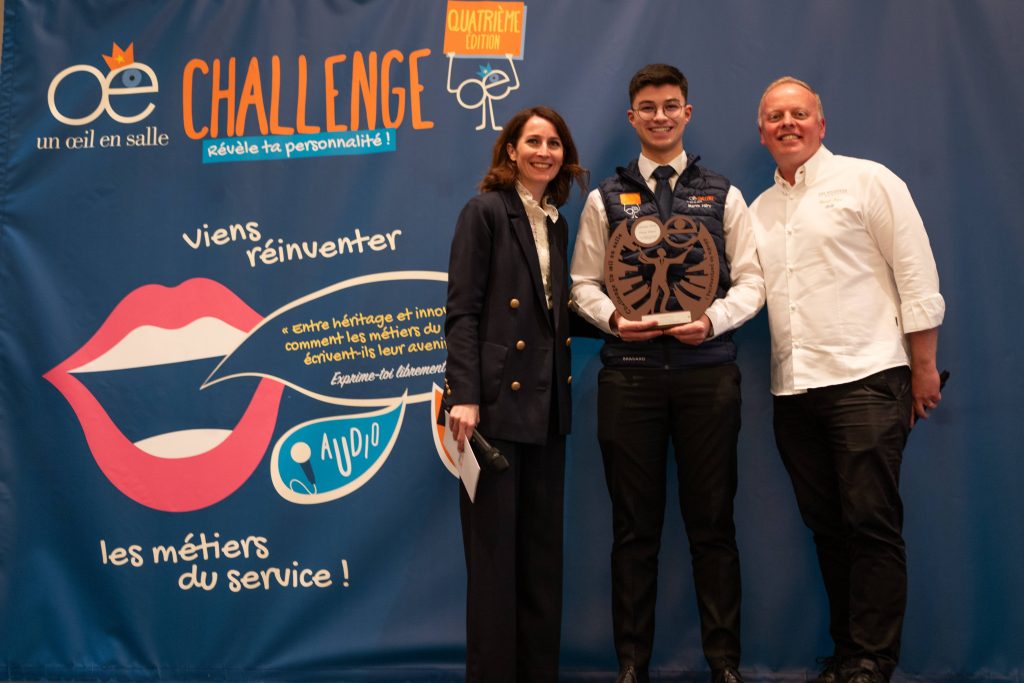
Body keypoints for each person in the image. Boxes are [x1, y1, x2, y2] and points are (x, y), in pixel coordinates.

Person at [570, 64, 764, 683]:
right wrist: (611, 320)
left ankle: (724, 665)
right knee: (634, 530)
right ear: (632, 117)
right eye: (648, 107)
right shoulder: (605, 198)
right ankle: (632, 665)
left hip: (708, 376)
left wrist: (713, 322)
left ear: (687, 112)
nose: (660, 116)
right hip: (629, 378)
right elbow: (582, 284)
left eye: (671, 105)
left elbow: (753, 282)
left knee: (714, 525)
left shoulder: (724, 194)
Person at [749, 77, 945, 683]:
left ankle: (872, 662)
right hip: (793, 391)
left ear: (821, 123)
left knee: (871, 525)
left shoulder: (869, 181)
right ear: (762, 132)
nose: (787, 123)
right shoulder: (757, 211)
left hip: (867, 379)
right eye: (775, 116)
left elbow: (916, 275)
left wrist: (923, 368)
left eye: (799, 113)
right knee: (827, 529)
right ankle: (846, 653)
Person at [444, 105, 587, 683]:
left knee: (541, 561)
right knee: (494, 563)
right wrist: (465, 394)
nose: (544, 152)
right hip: (494, 409)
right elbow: (462, 313)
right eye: (533, 141)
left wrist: (624, 322)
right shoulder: (484, 212)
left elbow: (552, 314)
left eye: (554, 143)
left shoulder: (557, 221)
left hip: (549, 409)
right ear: (511, 150)